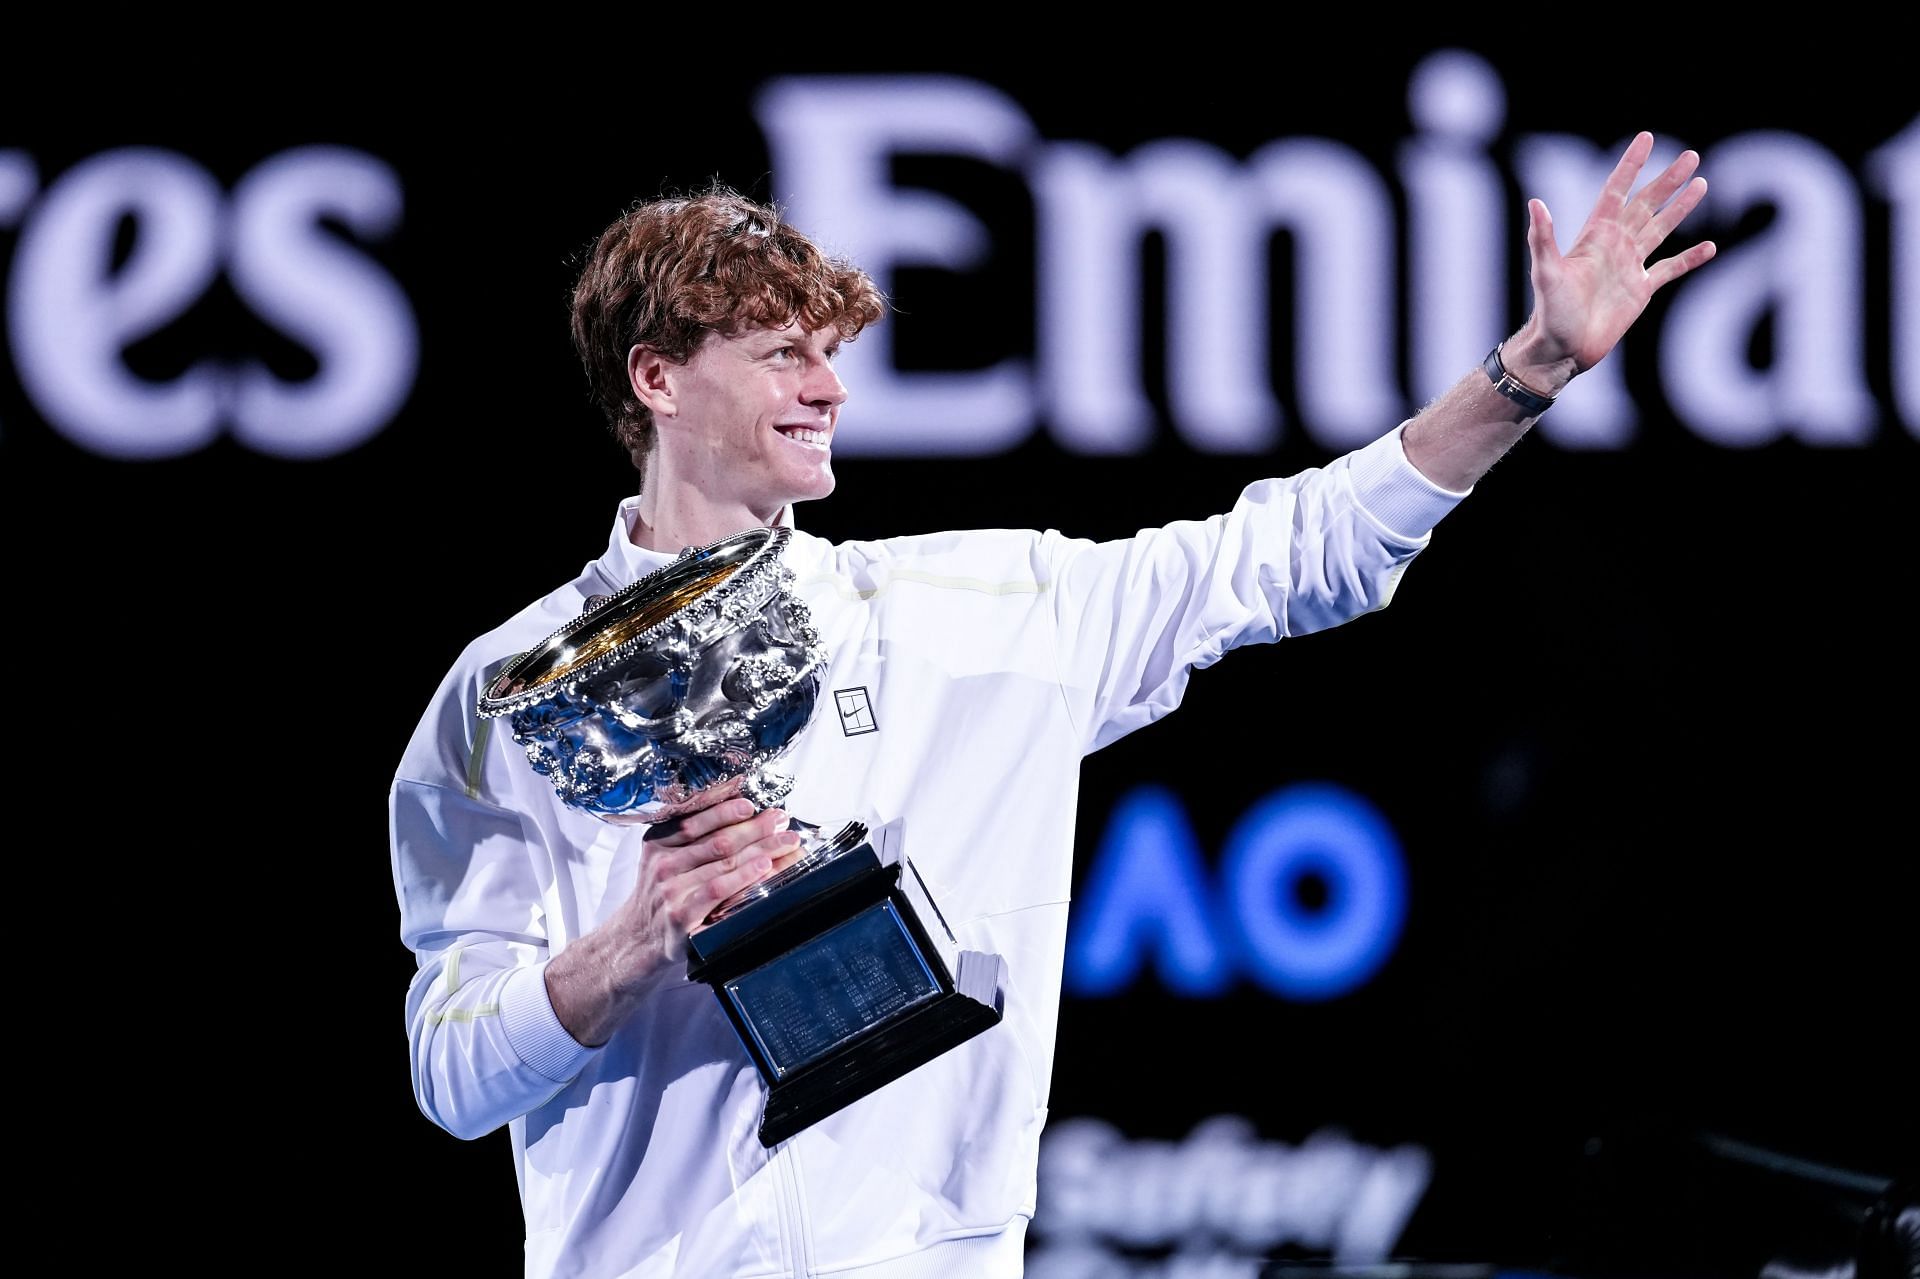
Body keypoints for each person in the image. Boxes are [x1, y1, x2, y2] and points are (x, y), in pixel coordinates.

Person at [389, 131, 1714, 1278]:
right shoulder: (505, 697)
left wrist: (1531, 368)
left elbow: (1294, 551)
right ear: (656, 380)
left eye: (830, 349)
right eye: (781, 351)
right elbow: (451, 1078)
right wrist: (621, 954)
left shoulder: (975, 612)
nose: (830, 386)